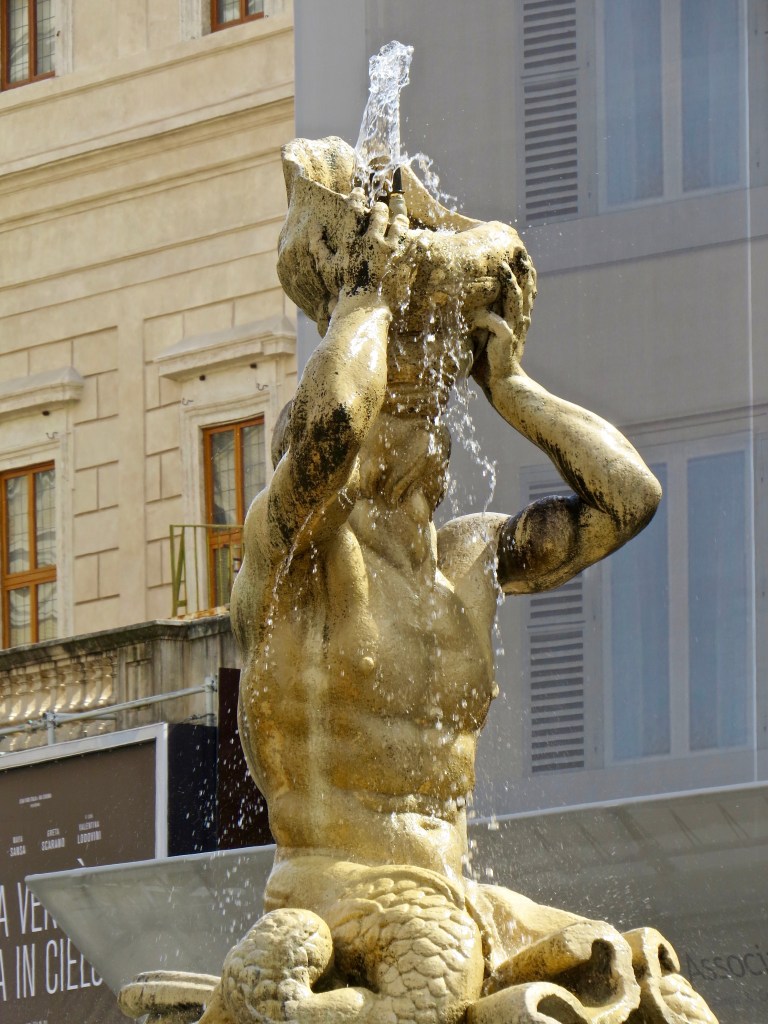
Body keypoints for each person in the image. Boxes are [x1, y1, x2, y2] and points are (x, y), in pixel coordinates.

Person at [205, 138, 715, 1024]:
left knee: (659, 989)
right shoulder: (294, 557)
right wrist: (366, 299)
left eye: (427, 415)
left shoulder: (468, 558)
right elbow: (328, 428)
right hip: (340, 892)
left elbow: (628, 499)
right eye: (394, 416)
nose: (421, 434)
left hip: (465, 901)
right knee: (433, 989)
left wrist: (508, 384)